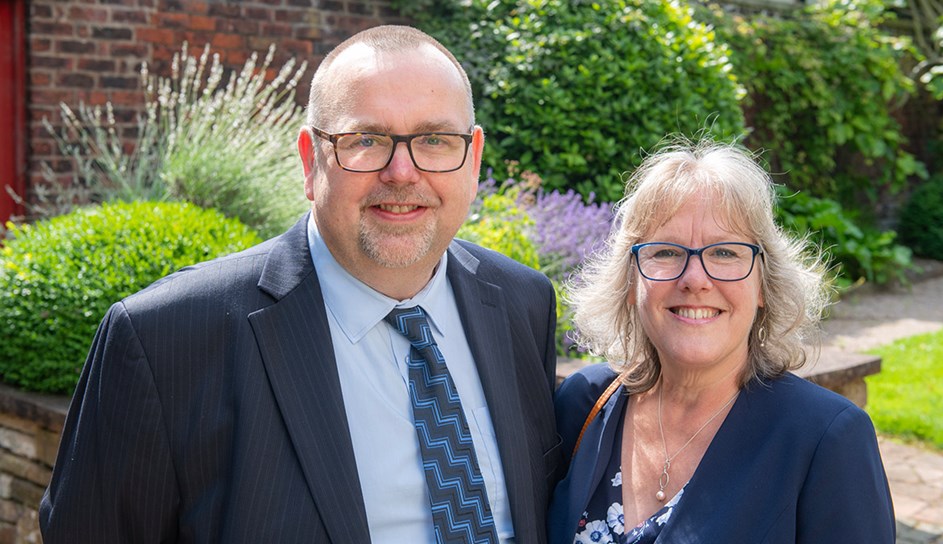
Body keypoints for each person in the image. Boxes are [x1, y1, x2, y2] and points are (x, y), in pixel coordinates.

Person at [40, 25, 563, 544]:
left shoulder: (523, 302)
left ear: (472, 159)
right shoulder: (162, 340)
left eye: (434, 139)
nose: (403, 172)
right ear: (311, 161)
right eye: (366, 140)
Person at [547, 138, 895, 543]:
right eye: (666, 252)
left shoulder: (825, 438)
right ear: (630, 280)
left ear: (763, 285)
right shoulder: (585, 404)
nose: (695, 280)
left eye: (725, 253)